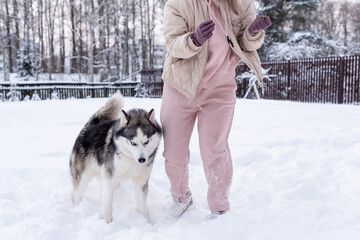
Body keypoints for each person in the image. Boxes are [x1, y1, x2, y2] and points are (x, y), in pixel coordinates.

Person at [161, 0, 271, 219]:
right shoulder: (177, 3)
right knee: (174, 150)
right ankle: (180, 197)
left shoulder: (240, 4)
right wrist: (193, 40)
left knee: (215, 149)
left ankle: (219, 207)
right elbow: (172, 43)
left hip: (219, 88)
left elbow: (246, 45)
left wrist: (253, 32)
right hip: (180, 85)